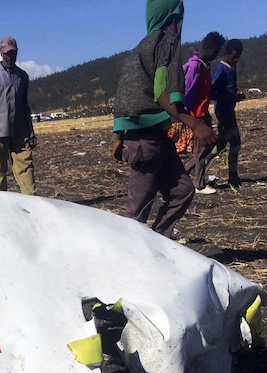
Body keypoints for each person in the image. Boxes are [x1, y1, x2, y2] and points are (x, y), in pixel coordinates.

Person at [111, 0, 216, 239]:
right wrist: (195, 123)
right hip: (145, 144)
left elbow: (125, 97)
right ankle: (126, 262)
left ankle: (159, 243)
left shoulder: (140, 49)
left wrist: (118, 137)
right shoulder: (166, 43)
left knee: (182, 191)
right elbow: (161, 92)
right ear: (175, 17)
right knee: (136, 214)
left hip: (158, 139)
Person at [0, 36, 37, 195]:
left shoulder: (23, 76)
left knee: (27, 173)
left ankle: (31, 209)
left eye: (13, 54)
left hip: (20, 132)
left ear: (17, 53)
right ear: (1, 53)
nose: (10, 57)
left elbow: (25, 106)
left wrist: (31, 131)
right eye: (7, 53)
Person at [182, 31, 225, 195]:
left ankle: (190, 177)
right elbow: (187, 90)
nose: (216, 55)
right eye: (216, 51)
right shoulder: (195, 65)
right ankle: (196, 183)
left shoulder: (205, 65)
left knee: (205, 148)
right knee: (200, 151)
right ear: (208, 48)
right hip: (196, 115)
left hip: (203, 112)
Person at [204, 38, 246, 188]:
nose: (235, 60)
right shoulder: (221, 69)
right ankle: (232, 176)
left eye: (237, 57)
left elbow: (228, 88)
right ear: (227, 54)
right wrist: (232, 96)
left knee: (221, 144)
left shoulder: (231, 68)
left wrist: (236, 92)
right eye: (233, 56)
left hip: (229, 110)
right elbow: (212, 92)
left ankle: (200, 166)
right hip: (223, 111)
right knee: (235, 143)